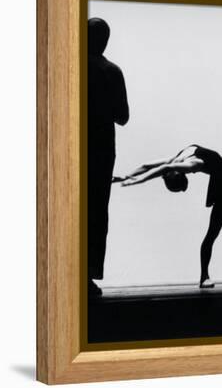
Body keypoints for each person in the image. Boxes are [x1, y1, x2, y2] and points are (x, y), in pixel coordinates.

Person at [117, 144, 222, 288]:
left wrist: (137, 179)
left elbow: (160, 168)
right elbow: (150, 166)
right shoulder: (180, 160)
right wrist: (128, 176)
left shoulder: (186, 163)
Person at [88, 18, 129, 297]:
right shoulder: (111, 71)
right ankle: (88, 276)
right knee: (96, 212)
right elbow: (122, 117)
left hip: (72, 145)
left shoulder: (69, 66)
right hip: (101, 150)